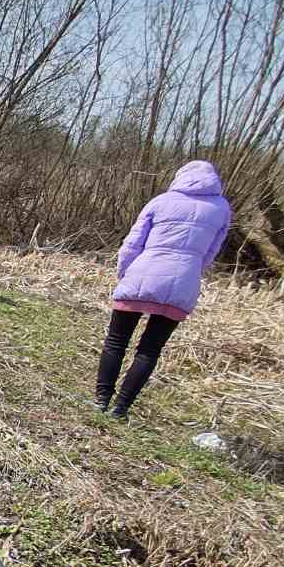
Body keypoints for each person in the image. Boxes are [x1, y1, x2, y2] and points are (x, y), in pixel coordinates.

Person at [95, 160, 232, 420]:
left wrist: (124, 273)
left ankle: (101, 399)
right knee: (150, 349)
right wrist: (190, 272)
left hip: (142, 274)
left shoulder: (161, 201)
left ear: (180, 177)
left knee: (116, 341)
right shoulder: (222, 209)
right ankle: (121, 408)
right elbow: (210, 253)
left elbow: (131, 244)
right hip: (184, 282)